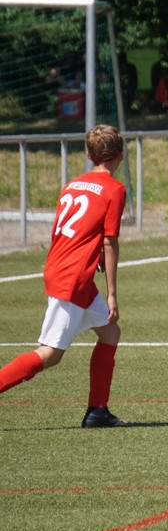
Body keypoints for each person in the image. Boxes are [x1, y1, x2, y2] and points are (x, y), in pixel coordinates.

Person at [0, 125, 131, 427]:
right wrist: (112, 293)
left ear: (88, 155)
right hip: (73, 277)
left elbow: (73, 230)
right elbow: (109, 241)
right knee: (50, 353)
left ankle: (97, 412)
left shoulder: (72, 185)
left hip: (63, 268)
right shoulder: (114, 189)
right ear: (121, 156)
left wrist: (92, 255)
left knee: (110, 333)